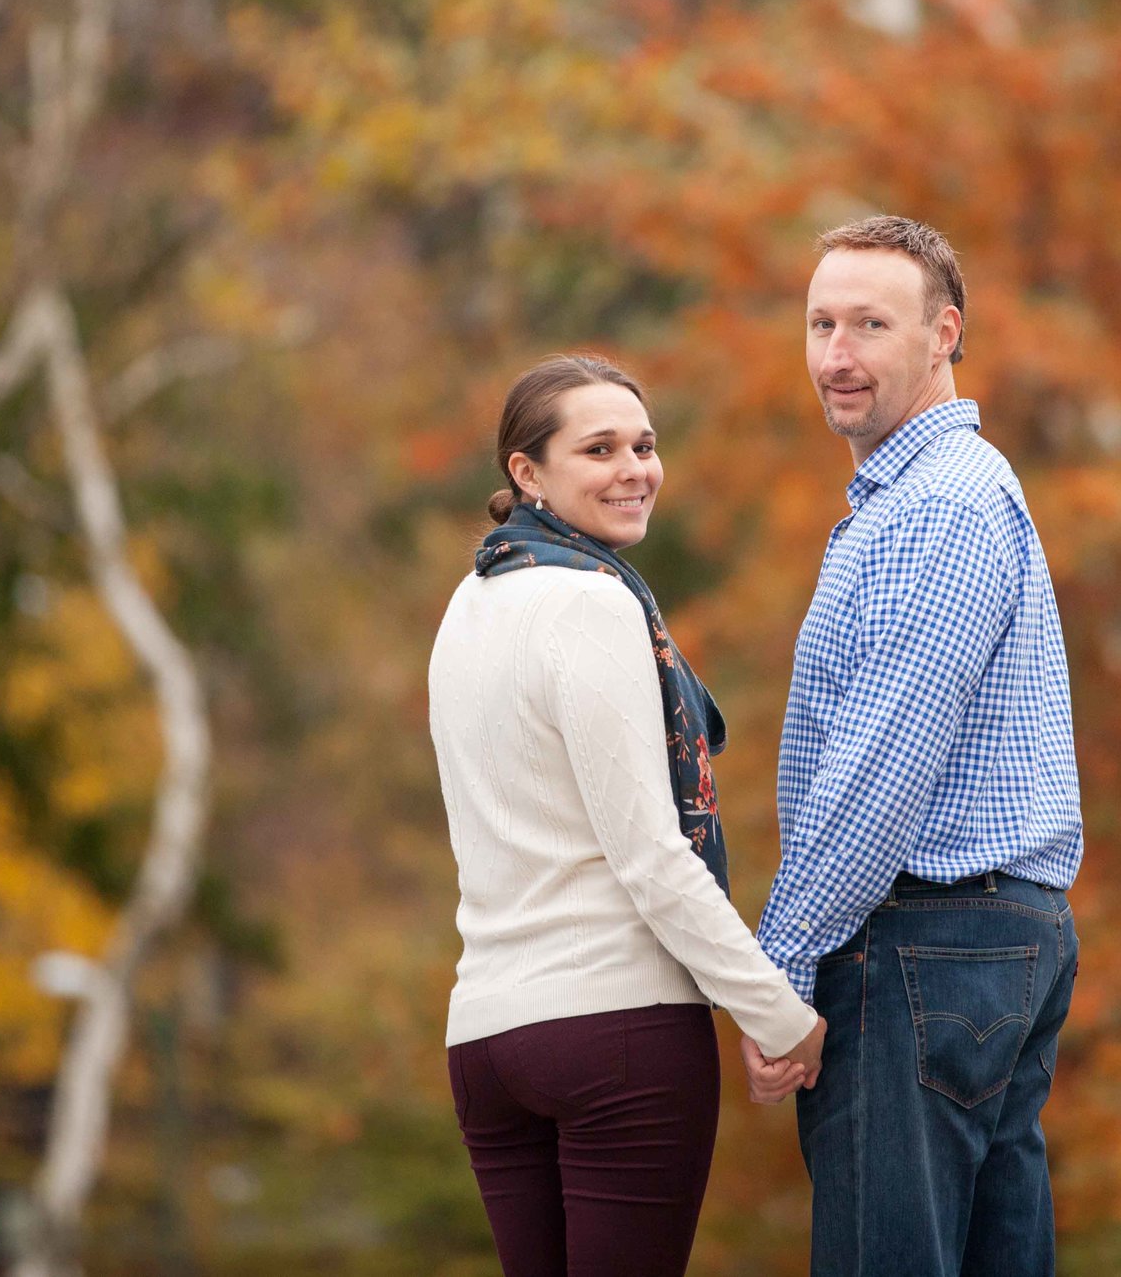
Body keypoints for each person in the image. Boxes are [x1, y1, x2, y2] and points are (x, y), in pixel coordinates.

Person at [428, 353, 828, 1277]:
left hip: (486, 1040)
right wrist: (777, 1013)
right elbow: (651, 854)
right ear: (526, 472)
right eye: (598, 448)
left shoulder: (470, 603)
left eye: (644, 445)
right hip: (614, 1030)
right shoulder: (591, 603)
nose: (634, 468)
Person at [743, 216, 1085, 1277]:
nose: (835, 354)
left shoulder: (937, 508)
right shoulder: (937, 495)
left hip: (924, 942)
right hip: (983, 941)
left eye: (869, 325)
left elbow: (880, 765)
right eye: (820, 323)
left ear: (944, 334)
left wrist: (780, 970)